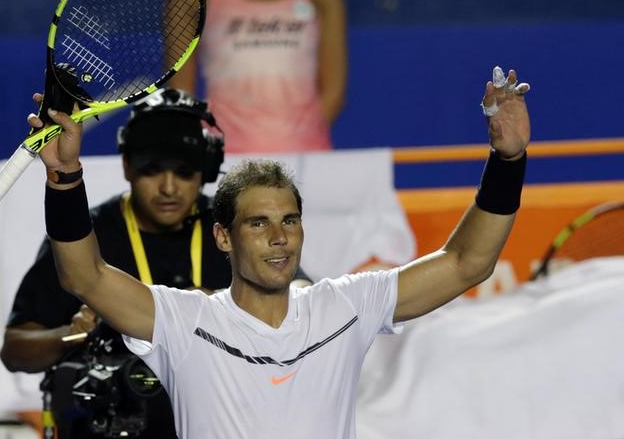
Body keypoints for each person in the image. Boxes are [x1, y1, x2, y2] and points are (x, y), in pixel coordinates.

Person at [32, 67, 530, 438]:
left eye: (290, 220)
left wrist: (508, 161)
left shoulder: (344, 307)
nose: (280, 236)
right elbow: (85, 277)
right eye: (259, 223)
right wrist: (64, 179)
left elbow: (468, 262)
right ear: (223, 237)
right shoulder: (183, 321)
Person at [0, 87, 312, 439]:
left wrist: (228, 313)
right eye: (152, 170)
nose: (168, 187)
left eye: (183, 172)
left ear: (206, 171)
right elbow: (14, 351)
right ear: (127, 167)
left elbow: (303, 296)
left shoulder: (232, 227)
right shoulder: (86, 237)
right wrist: (74, 336)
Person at [170, 0, 347, 154]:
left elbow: (333, 92)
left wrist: (297, 138)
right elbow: (180, 90)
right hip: (224, 160)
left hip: (306, 156)